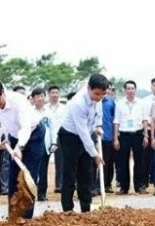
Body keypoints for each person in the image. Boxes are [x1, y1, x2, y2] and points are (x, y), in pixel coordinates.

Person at [0, 80, 44, 220]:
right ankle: (13, 216)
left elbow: (26, 127)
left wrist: (20, 146)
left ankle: (25, 218)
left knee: (28, 177)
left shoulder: (19, 101)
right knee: (14, 177)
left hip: (34, 135)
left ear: (3, 92)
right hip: (14, 137)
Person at [58, 74, 107, 213]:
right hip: (70, 136)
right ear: (88, 88)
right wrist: (95, 154)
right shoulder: (78, 103)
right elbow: (83, 132)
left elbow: (98, 113)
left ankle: (86, 208)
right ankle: (68, 209)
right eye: (96, 94)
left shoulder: (98, 97)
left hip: (86, 133)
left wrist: (98, 126)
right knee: (70, 173)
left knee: (86, 173)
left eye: (102, 95)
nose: (99, 97)